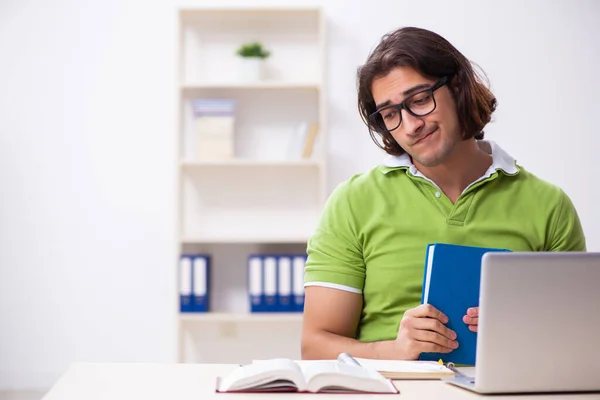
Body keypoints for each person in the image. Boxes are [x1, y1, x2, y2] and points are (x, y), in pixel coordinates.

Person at [300, 26, 586, 361]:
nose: (410, 126)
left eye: (420, 100)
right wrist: (396, 349)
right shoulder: (353, 202)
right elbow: (316, 346)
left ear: (458, 87)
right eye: (391, 114)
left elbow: (577, 341)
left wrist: (522, 330)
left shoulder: (548, 206)